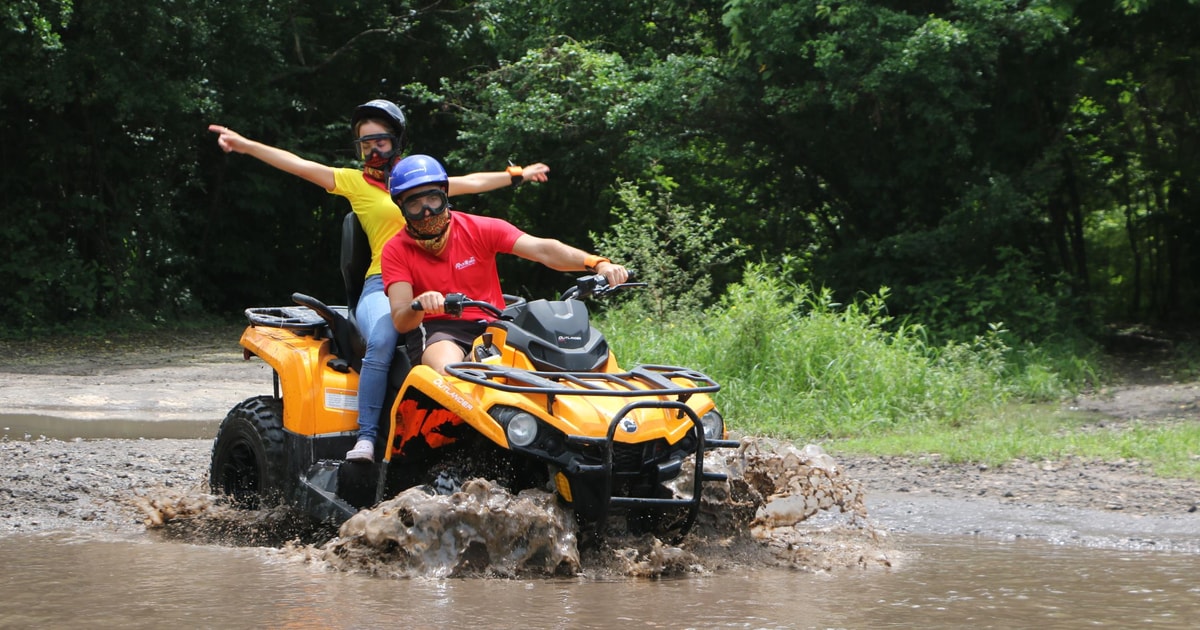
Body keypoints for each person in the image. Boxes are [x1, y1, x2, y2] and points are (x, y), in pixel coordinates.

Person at [209, 100, 550, 463]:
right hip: (383, 282)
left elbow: (472, 182)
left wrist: (517, 174)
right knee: (385, 337)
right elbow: (301, 166)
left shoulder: (419, 180)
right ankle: (368, 437)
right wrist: (246, 145)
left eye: (381, 141)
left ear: (397, 141)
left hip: (436, 282)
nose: (373, 149)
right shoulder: (354, 182)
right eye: (365, 143)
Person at [381, 154, 628, 375]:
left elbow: (544, 249)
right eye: (415, 204)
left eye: (432, 200)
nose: (426, 212)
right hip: (440, 329)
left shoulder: (480, 228)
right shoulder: (395, 249)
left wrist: (598, 264)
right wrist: (420, 305)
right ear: (401, 206)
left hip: (495, 325)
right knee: (449, 372)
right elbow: (402, 319)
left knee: (549, 367)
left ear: (445, 196)